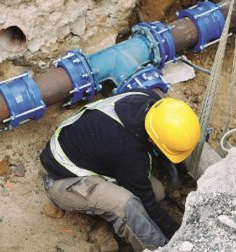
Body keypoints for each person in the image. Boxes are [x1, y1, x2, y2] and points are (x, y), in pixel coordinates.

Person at [39, 88, 200, 251]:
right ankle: (156, 248)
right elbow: (148, 203)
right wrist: (180, 236)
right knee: (126, 205)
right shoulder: (128, 153)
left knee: (158, 191)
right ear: (153, 139)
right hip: (61, 179)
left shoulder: (149, 101)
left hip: (89, 153)